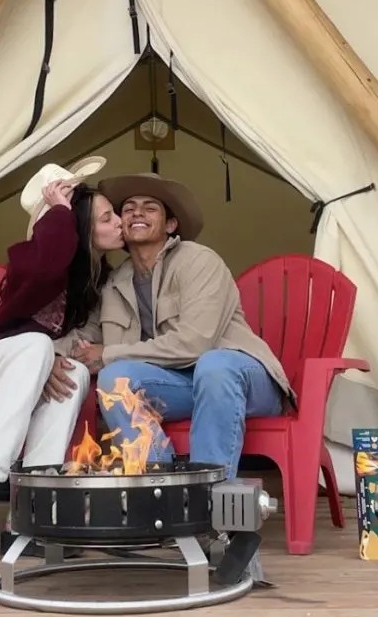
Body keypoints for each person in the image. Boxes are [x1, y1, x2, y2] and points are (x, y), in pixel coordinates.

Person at [0, 156, 123, 561]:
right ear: (76, 225)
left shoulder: (91, 281)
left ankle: (35, 503)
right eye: (107, 218)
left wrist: (55, 356)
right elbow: (46, 266)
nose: (119, 222)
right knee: (38, 345)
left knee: (72, 369)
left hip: (22, 382)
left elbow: (87, 340)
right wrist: (57, 211)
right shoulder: (33, 261)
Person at [60, 173, 291, 481]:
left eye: (150, 207)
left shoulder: (199, 261)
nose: (136, 213)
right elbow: (86, 338)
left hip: (244, 381)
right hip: (184, 387)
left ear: (170, 225)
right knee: (114, 378)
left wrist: (109, 354)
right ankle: (160, 486)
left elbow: (195, 345)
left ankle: (210, 495)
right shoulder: (115, 282)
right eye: (128, 208)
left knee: (214, 364)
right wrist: (43, 356)